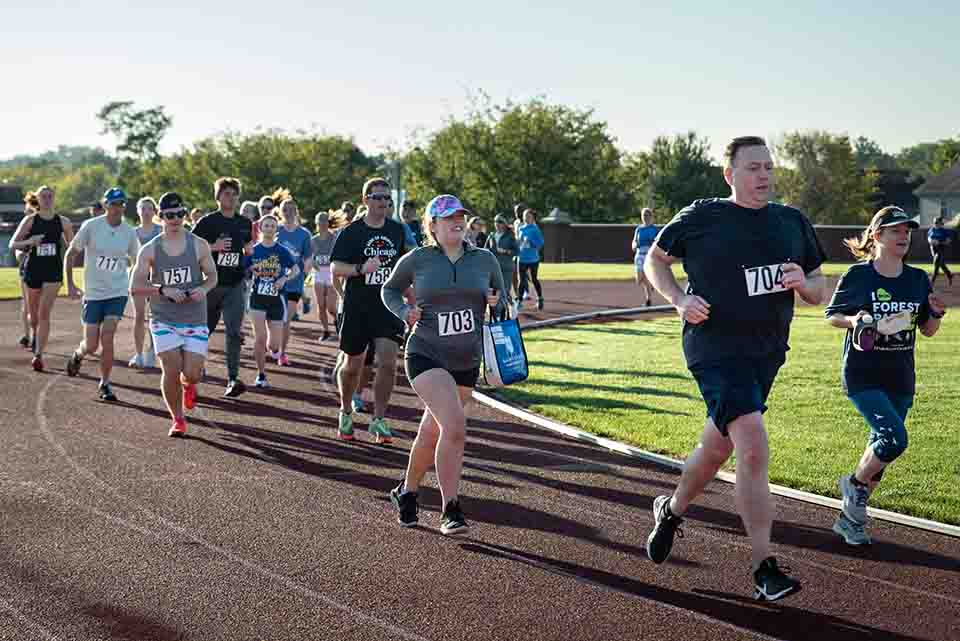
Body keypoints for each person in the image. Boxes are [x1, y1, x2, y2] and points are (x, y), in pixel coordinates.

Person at [643, 135, 827, 602]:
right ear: (730, 174)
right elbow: (655, 259)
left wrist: (802, 283)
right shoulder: (703, 215)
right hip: (714, 348)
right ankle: (765, 567)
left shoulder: (790, 221)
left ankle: (672, 509)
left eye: (768, 167)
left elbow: (820, 287)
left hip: (766, 353)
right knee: (752, 444)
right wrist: (679, 299)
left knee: (716, 449)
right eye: (752, 168)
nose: (763, 175)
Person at [384, 194, 507, 534]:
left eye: (460, 216)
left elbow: (502, 299)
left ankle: (406, 491)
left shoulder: (484, 260)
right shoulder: (417, 259)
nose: (457, 220)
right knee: (454, 427)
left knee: (433, 430)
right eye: (449, 216)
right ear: (432, 225)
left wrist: (496, 302)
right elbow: (390, 290)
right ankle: (450, 509)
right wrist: (404, 312)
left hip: (466, 359)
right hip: (426, 353)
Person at [824, 206, 947, 545]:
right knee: (895, 439)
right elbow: (833, 316)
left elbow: (928, 330)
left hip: (900, 376)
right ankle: (855, 484)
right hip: (863, 374)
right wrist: (856, 321)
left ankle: (850, 521)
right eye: (895, 230)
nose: (904, 236)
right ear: (877, 236)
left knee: (882, 448)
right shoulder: (858, 276)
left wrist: (935, 313)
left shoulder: (918, 278)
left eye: (907, 230)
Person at [129, 192, 217, 437]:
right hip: (163, 318)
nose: (175, 219)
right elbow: (135, 287)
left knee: (191, 373)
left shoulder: (198, 244)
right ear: (161, 217)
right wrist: (162, 289)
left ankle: (189, 385)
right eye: (169, 215)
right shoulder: (150, 250)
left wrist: (203, 288)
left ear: (185, 213)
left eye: (179, 214)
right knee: (171, 367)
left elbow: (213, 277)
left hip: (195, 318)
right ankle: (178, 419)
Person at [330, 177, 408, 442]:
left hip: (388, 305)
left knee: (387, 362)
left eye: (388, 198)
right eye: (378, 197)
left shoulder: (397, 231)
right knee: (352, 365)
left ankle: (379, 419)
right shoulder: (351, 232)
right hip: (357, 305)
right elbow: (336, 268)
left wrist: (414, 301)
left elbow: (403, 271)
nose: (383, 202)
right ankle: (345, 412)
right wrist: (362, 269)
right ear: (366, 200)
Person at [64, 187, 140, 401]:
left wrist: (135, 278)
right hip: (94, 293)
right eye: (114, 203)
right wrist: (69, 284)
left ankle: (105, 384)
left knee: (108, 335)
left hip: (117, 292)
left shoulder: (129, 232)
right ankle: (78, 354)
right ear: (106, 205)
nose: (118, 208)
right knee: (91, 345)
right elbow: (70, 253)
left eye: (122, 204)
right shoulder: (91, 226)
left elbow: (138, 260)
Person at [191, 177, 254, 397]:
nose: (231, 197)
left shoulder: (244, 223)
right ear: (217, 197)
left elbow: (248, 248)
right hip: (210, 284)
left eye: (235, 194)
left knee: (234, 332)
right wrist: (213, 246)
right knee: (201, 331)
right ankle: (193, 368)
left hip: (235, 284)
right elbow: (190, 247)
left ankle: (232, 378)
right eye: (227, 193)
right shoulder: (208, 222)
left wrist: (251, 252)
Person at [8, 186, 75, 371]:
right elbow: (12, 244)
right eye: (43, 196)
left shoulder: (64, 222)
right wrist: (31, 241)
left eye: (50, 196)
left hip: (53, 272)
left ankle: (38, 354)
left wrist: (70, 275)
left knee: (44, 313)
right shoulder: (30, 221)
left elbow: (73, 249)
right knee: (34, 315)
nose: (47, 199)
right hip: (33, 270)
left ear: (54, 198)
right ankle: (35, 333)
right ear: (38, 199)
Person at [246, 214, 299, 388]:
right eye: (266, 225)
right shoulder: (254, 250)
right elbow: (243, 269)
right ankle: (261, 375)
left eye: (272, 226)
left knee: (274, 344)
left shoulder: (282, 251)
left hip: (277, 300)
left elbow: (296, 270)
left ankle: (275, 350)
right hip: (257, 299)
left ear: (276, 229)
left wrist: (284, 279)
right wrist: (250, 269)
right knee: (260, 338)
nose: (269, 228)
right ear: (260, 228)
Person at [275, 191, 313, 364]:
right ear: (280, 212)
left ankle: (282, 353)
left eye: (291, 209)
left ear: (296, 212)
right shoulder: (275, 230)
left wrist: (302, 274)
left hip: (294, 284)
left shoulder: (304, 234)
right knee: (273, 320)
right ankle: (273, 345)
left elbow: (307, 258)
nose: (288, 212)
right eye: (285, 209)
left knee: (285, 319)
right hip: (274, 282)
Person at [130, 197, 161, 369]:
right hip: (138, 278)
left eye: (150, 208)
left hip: (157, 278)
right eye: (143, 208)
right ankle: (139, 354)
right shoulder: (132, 233)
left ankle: (151, 352)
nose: (146, 211)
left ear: (154, 211)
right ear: (138, 211)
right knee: (139, 317)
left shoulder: (161, 230)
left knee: (155, 317)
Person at [311, 211, 339, 342]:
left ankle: (337, 319)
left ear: (328, 223)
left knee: (331, 306)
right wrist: (312, 262)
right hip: (318, 272)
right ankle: (326, 330)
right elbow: (308, 256)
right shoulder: (313, 240)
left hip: (331, 272)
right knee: (320, 304)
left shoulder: (334, 238)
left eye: (324, 221)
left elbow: (339, 255)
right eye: (319, 221)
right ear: (316, 224)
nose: (322, 224)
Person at [486, 214, 520, 313]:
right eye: (495, 222)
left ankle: (505, 309)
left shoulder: (510, 236)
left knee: (504, 289)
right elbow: (486, 249)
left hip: (506, 267)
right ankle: (507, 306)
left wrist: (505, 251)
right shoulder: (491, 235)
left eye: (500, 222)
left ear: (504, 224)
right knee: (494, 290)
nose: (497, 224)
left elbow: (517, 251)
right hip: (493, 267)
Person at [517, 208, 545, 310]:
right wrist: (519, 243)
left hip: (533, 259)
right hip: (522, 258)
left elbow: (540, 243)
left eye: (528, 216)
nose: (526, 218)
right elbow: (518, 243)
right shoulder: (520, 228)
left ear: (533, 218)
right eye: (525, 216)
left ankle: (540, 298)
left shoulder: (535, 229)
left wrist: (530, 242)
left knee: (534, 279)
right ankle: (519, 301)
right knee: (521, 280)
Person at [632, 208, 658, 306]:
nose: (645, 217)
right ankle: (651, 285)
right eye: (644, 215)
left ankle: (648, 300)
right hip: (639, 255)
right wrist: (634, 245)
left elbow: (657, 243)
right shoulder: (639, 229)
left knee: (646, 276)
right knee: (639, 280)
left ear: (651, 217)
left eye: (647, 215)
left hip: (649, 256)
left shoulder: (654, 229)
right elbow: (634, 241)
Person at [927, 216, 954, 286]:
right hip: (933, 248)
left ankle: (932, 281)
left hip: (941, 248)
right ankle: (949, 275)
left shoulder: (944, 231)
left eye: (937, 222)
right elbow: (929, 239)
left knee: (936, 262)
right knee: (940, 264)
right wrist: (932, 241)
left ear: (941, 223)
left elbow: (948, 241)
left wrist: (940, 242)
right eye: (935, 222)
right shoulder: (931, 230)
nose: (936, 224)